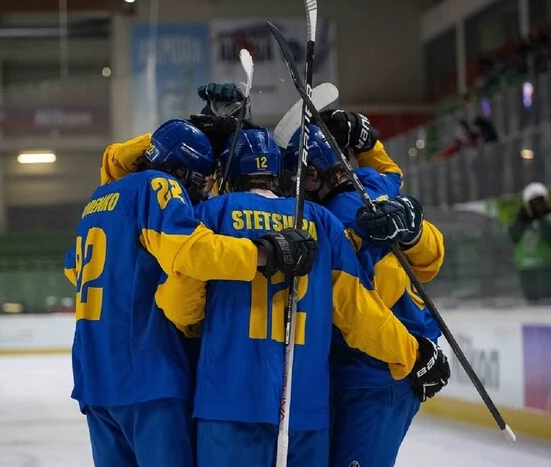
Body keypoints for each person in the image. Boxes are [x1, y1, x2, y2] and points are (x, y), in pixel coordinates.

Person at [157, 127, 450, 467]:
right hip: (306, 408)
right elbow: (358, 311)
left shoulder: (212, 215)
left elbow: (179, 307)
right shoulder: (321, 221)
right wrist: (412, 354)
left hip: (228, 401)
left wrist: (196, 327)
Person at [63, 119, 316, 467]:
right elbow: (192, 253)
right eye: (198, 179)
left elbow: (71, 270)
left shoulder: (99, 199)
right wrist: (264, 252)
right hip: (146, 373)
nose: (198, 192)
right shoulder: (158, 185)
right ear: (179, 169)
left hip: (95, 376)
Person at [285, 112, 447, 467]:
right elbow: (392, 173)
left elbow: (364, 305)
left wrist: (412, 353)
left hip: (381, 370)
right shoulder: (371, 185)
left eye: (295, 177)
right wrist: (368, 142)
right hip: (382, 366)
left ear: (312, 176)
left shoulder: (332, 222)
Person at [509, 182, 551, 302]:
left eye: (540, 202)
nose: (537, 206)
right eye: (533, 203)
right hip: (527, 270)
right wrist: (522, 218)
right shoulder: (523, 222)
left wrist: (541, 217)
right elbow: (513, 236)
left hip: (548, 269)